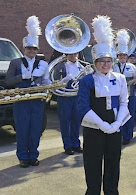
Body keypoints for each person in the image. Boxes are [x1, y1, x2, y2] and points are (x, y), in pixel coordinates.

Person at [77, 15, 130, 195]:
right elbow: (82, 107)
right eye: (101, 61)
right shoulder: (87, 81)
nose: (105, 64)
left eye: (109, 61)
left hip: (115, 128)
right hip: (93, 129)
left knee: (113, 164)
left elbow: (125, 102)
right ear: (95, 62)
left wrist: (117, 124)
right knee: (92, 165)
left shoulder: (121, 78)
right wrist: (102, 125)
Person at [5, 16, 51, 168]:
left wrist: (48, 88)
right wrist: (20, 77)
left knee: (36, 129)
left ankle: (33, 155)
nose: (31, 51)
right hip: (21, 100)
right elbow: (8, 81)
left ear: (37, 50)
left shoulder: (43, 64)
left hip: (37, 100)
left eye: (34, 49)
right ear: (24, 49)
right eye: (29, 48)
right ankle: (23, 156)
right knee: (23, 129)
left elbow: (46, 81)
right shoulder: (15, 62)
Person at [51, 51, 85, 155]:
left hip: (77, 96)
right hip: (64, 96)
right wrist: (63, 81)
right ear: (66, 55)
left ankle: (76, 143)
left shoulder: (82, 66)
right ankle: (67, 145)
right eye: (71, 54)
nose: (73, 55)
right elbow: (54, 82)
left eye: (75, 53)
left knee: (76, 121)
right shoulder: (60, 66)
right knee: (65, 122)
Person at [113, 30, 136, 145]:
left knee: (130, 114)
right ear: (118, 56)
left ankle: (128, 135)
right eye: (120, 55)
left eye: (124, 55)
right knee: (118, 114)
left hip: (131, 92)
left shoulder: (132, 66)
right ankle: (118, 133)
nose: (122, 57)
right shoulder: (113, 66)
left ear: (127, 56)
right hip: (117, 93)